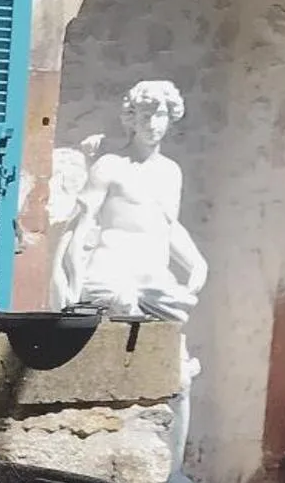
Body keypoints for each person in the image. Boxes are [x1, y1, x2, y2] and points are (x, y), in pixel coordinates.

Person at [54, 80, 207, 322]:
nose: (153, 125)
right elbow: (80, 224)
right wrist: (68, 277)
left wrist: (197, 264)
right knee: (122, 304)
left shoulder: (171, 172)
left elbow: (168, 227)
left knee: (176, 312)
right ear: (132, 119)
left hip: (154, 278)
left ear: (170, 119)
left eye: (160, 116)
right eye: (146, 117)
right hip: (110, 270)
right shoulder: (110, 166)